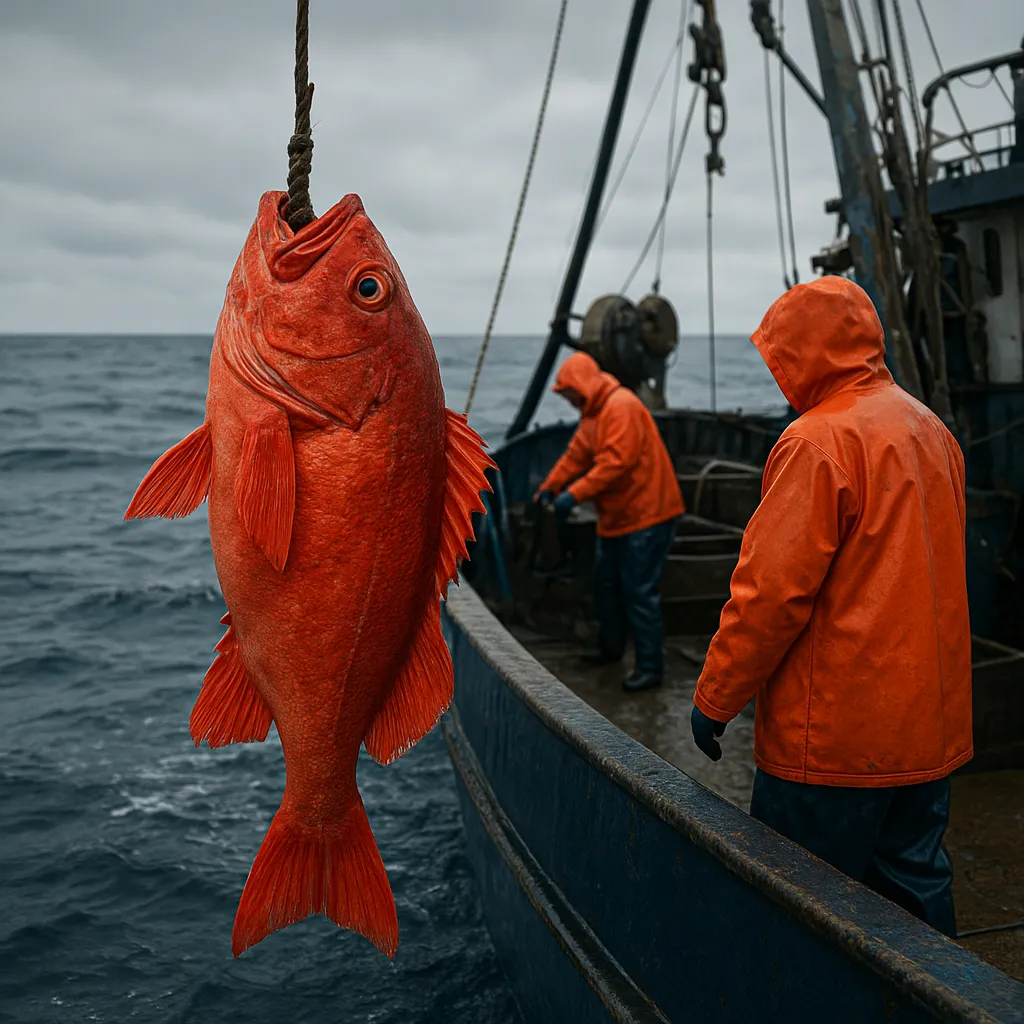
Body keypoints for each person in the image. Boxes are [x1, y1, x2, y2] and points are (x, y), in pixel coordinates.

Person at [689, 275, 972, 938]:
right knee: (916, 905)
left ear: (807, 352)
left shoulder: (816, 442)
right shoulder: (931, 430)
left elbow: (769, 596)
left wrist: (716, 698)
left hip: (835, 744)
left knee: (801, 916)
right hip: (925, 730)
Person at [533, 351, 685, 692]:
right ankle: (610, 648)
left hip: (649, 516)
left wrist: (573, 496)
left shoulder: (622, 407)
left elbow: (616, 463)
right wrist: (550, 487)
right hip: (617, 519)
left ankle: (650, 667)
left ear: (584, 385)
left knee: (639, 592)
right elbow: (575, 457)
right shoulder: (593, 415)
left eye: (571, 393)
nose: (571, 401)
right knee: (606, 587)